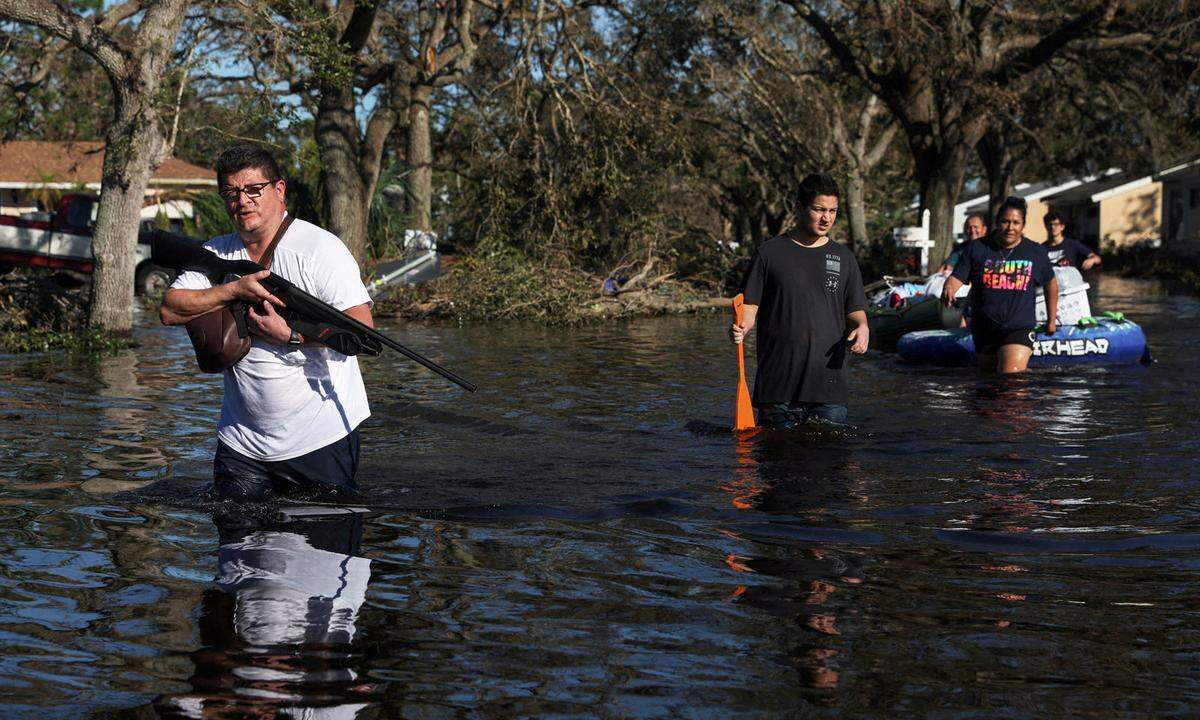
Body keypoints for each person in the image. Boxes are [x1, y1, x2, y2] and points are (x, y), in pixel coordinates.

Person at [160, 144, 373, 501]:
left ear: (279, 190)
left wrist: (291, 336)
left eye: (253, 190)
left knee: (327, 547)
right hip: (241, 444)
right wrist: (234, 289)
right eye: (231, 193)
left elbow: (361, 328)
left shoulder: (320, 249)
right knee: (237, 550)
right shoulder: (216, 253)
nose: (242, 201)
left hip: (320, 436)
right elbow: (170, 310)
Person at [729, 173, 869, 428]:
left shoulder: (844, 257)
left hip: (829, 388)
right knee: (779, 465)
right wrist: (742, 327)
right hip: (778, 388)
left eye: (832, 211)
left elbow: (855, 310)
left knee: (829, 465)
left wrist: (862, 327)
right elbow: (750, 306)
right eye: (818, 209)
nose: (826, 217)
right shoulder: (769, 253)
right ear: (799, 207)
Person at [941, 196, 1058, 374]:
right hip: (984, 328)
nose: (1010, 227)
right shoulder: (977, 248)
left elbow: (1051, 283)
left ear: (1023, 225)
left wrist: (1051, 319)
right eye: (1005, 221)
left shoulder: (1035, 252)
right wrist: (948, 288)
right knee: (989, 385)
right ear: (997, 222)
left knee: (1010, 379)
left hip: (1018, 327)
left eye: (1016, 222)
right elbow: (956, 278)